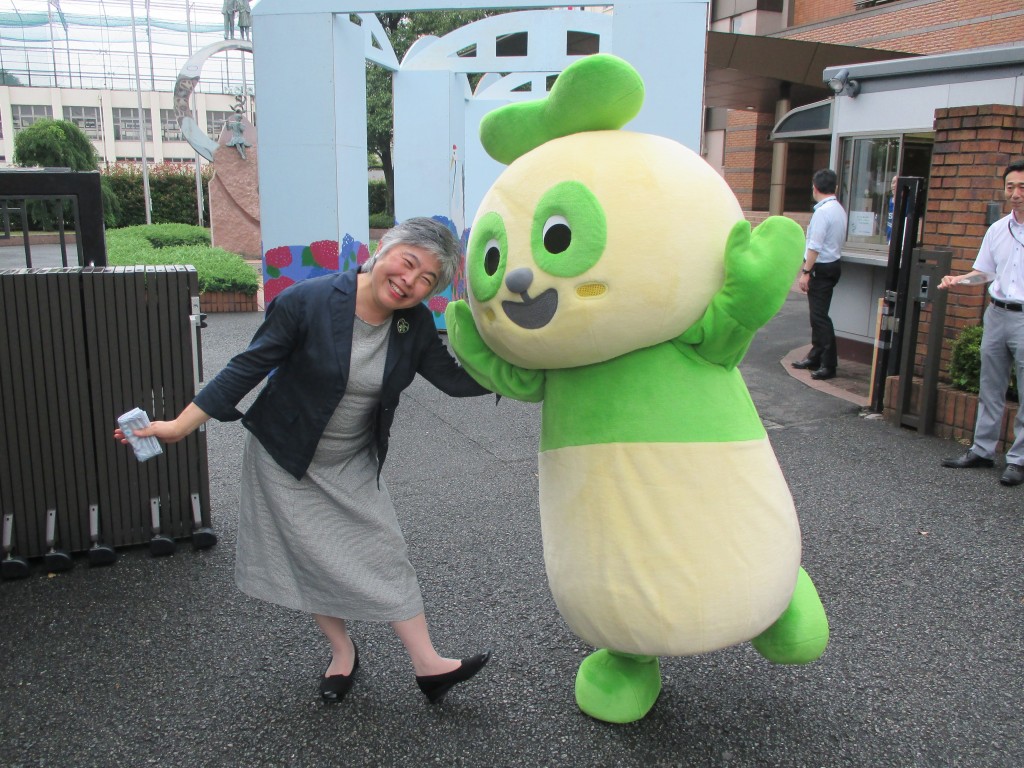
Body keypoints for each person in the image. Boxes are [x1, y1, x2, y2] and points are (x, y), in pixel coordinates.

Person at [114, 218, 493, 703]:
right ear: (384, 249)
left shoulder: (411, 322)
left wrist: (527, 370)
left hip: (352, 458)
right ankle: (342, 653)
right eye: (409, 263)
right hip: (287, 457)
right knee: (311, 559)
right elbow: (246, 368)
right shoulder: (308, 301)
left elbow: (454, 380)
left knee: (384, 550)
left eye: (427, 282)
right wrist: (176, 427)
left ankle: (428, 665)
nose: (410, 283)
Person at [938, 159, 1024, 487]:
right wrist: (959, 280)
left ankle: (1018, 460)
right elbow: (984, 273)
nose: (1015, 194)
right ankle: (982, 450)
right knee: (991, 385)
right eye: (1011, 187)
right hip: (997, 313)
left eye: (1022, 187)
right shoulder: (997, 229)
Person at [791, 168, 848, 381]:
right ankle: (815, 356)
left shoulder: (823, 212)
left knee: (819, 317)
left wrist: (806, 272)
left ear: (815, 188)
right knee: (818, 315)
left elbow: (814, 246)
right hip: (833, 265)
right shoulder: (838, 209)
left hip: (822, 268)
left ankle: (828, 363)